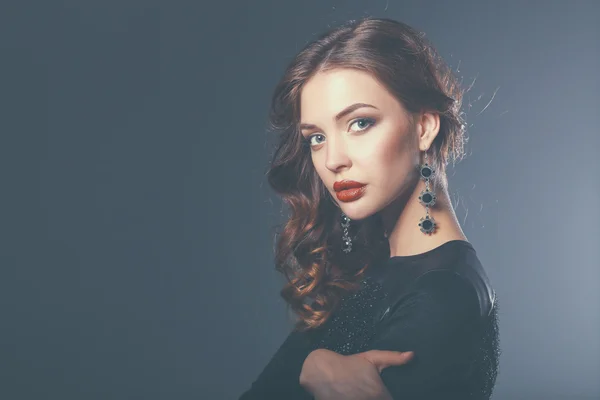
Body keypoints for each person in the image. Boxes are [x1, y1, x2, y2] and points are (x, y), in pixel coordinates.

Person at [238, 17, 500, 400]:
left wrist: (314, 366)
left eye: (360, 123)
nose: (332, 160)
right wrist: (312, 366)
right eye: (317, 138)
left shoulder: (443, 292)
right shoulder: (371, 268)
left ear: (424, 127)